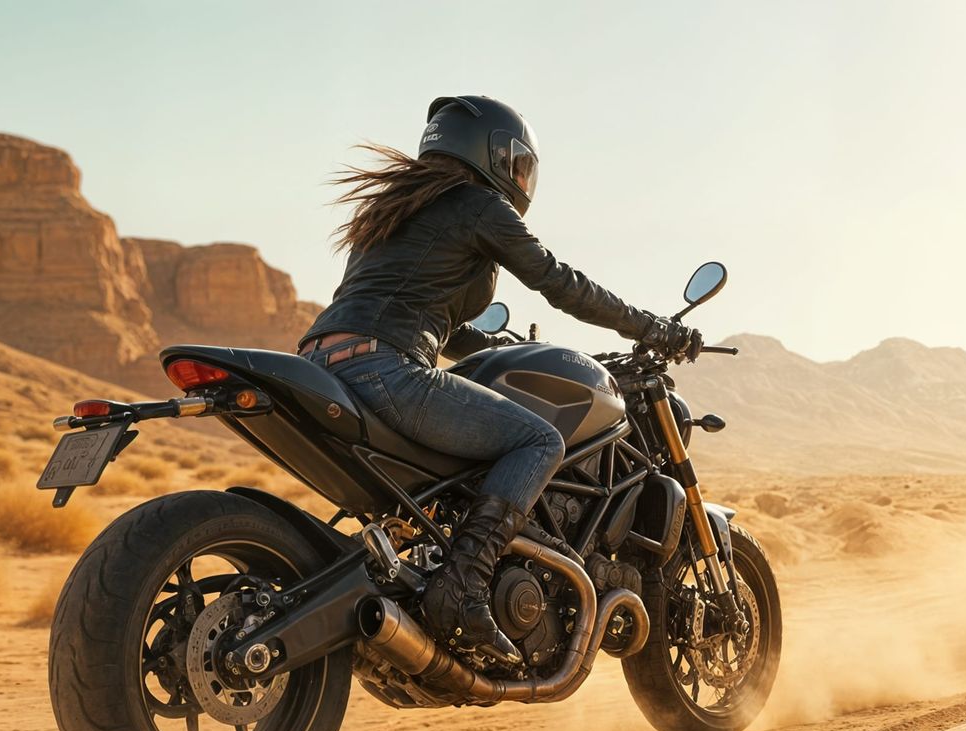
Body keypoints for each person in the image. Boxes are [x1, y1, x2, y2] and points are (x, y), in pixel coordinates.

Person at [299, 95, 702, 665]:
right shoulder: (477, 204)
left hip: (326, 361)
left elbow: (423, 308)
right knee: (539, 439)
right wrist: (650, 326)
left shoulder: (394, 213)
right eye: (520, 164)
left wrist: (485, 345)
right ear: (494, 154)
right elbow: (560, 283)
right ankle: (462, 586)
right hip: (386, 368)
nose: (521, 178)